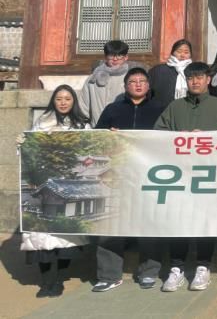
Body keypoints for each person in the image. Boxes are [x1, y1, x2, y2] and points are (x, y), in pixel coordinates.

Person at [154, 62, 217, 292]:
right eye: (191, 78)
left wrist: (209, 137)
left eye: (200, 77)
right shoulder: (175, 106)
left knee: (204, 221)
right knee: (178, 220)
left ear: (208, 80)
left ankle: (203, 267)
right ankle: (177, 268)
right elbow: (157, 134)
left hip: (208, 174)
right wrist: (176, 137)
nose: (195, 82)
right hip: (179, 174)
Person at [91, 68, 165, 292]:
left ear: (148, 85)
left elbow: (169, 139)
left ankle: (149, 271)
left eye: (142, 81)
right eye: (133, 81)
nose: (138, 84)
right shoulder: (112, 109)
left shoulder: (160, 109)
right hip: (116, 175)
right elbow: (96, 138)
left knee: (148, 223)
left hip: (148, 175)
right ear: (125, 86)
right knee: (110, 223)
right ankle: (109, 275)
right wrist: (109, 135)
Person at [20, 85, 90, 298]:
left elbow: (88, 154)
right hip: (44, 184)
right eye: (59, 98)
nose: (63, 102)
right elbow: (30, 154)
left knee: (65, 240)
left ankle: (58, 280)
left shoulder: (82, 125)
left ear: (73, 101)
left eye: (67, 98)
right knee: (41, 239)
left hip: (68, 185)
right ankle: (45, 282)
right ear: (53, 101)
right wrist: (22, 144)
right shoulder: (41, 123)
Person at [78, 40, 133, 126]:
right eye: (111, 55)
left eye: (119, 55)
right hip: (97, 128)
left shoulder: (132, 79)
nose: (115, 59)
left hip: (123, 129)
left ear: (126, 57)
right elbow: (83, 106)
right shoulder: (93, 79)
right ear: (105, 57)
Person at [148, 39, 193, 107]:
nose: (182, 55)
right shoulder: (158, 70)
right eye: (179, 51)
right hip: (163, 110)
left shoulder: (194, 71)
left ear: (190, 55)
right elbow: (148, 91)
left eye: (186, 52)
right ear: (172, 53)